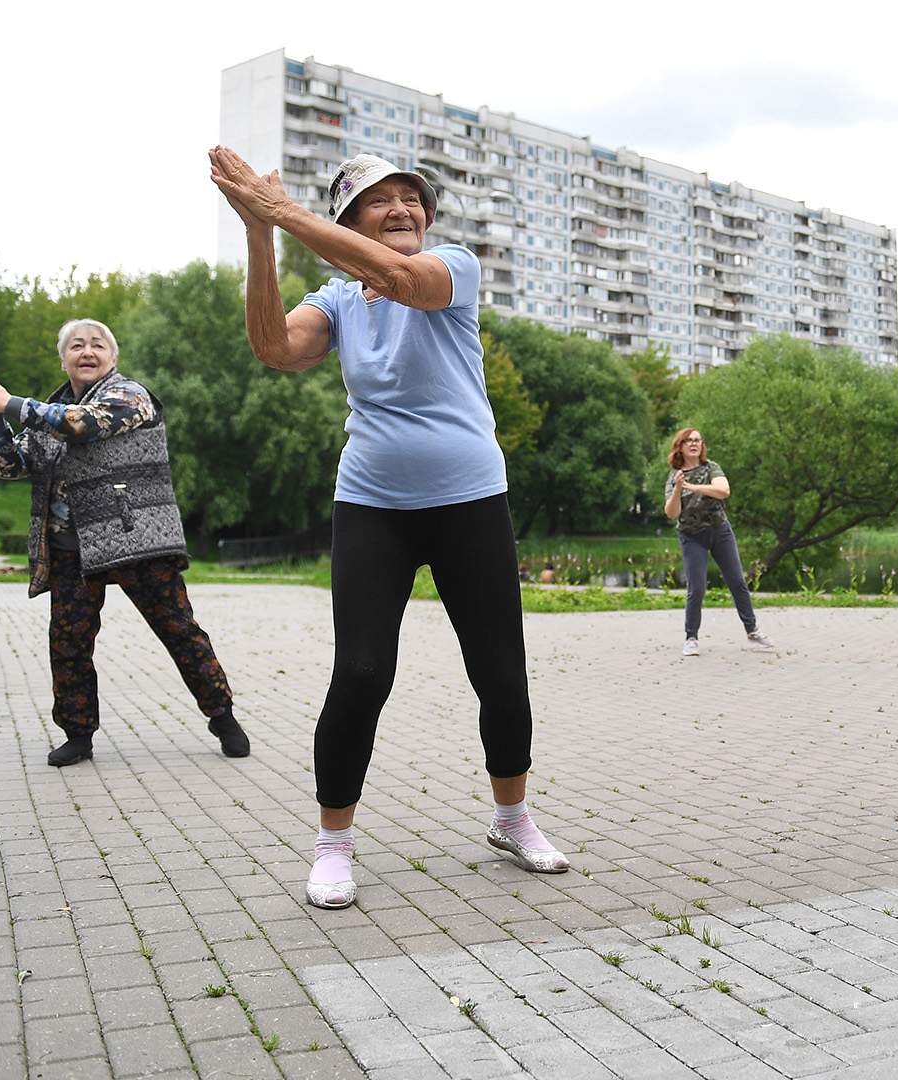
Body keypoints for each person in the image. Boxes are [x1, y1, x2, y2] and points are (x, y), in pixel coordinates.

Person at [210, 146, 567, 910]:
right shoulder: (337, 303)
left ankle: (513, 818)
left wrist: (282, 211)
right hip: (373, 506)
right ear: (349, 221)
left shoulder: (454, 267)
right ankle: (333, 843)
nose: (402, 209)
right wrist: (258, 233)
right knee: (363, 674)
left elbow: (403, 280)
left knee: (500, 674)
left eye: (412, 199)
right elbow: (275, 348)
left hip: (471, 500)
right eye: (380, 200)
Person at [0, 321, 249, 767]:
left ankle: (223, 715)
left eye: (98, 345)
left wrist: (12, 403)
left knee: (179, 631)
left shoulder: (130, 396)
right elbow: (7, 465)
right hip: (71, 548)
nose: (87, 351)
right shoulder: (46, 411)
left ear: (113, 357)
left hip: (139, 540)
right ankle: (78, 734)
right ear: (63, 359)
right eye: (77, 346)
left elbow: (83, 425)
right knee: (68, 641)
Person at [662, 428, 774, 657]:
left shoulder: (711, 467)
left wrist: (693, 487)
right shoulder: (675, 476)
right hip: (692, 536)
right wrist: (678, 490)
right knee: (697, 588)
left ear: (702, 445)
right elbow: (672, 513)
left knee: (737, 581)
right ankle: (691, 637)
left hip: (719, 531)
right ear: (680, 446)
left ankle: (752, 630)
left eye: (697, 440)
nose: (694, 444)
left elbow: (724, 490)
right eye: (689, 441)